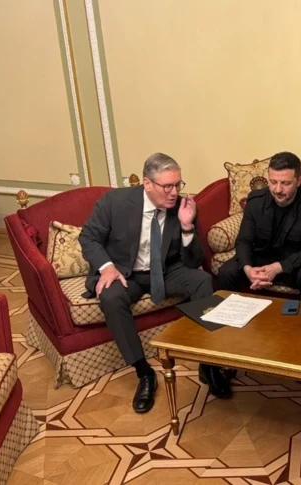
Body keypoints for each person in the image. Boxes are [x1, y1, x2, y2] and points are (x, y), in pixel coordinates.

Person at [79, 152, 217, 412]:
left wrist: (187, 228)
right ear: (147, 184)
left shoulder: (182, 207)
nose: (174, 192)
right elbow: (88, 237)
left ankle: (208, 364)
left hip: (166, 270)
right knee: (111, 297)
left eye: (178, 184)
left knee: (203, 281)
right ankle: (144, 373)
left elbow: (194, 260)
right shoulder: (115, 202)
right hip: (125, 273)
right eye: (168, 186)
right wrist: (107, 267)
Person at [217, 151, 301, 302]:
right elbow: (244, 240)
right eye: (273, 182)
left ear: (298, 181)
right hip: (262, 257)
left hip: (295, 262)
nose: (278, 190)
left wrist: (278, 268)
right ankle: (232, 315)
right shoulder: (256, 201)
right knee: (227, 271)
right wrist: (248, 269)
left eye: (285, 183)